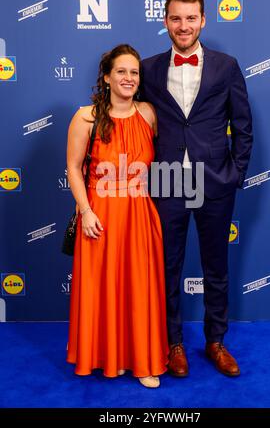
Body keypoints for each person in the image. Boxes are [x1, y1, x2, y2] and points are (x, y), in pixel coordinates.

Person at [141, 0, 253, 377]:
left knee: (216, 267)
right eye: (176, 18)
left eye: (191, 18)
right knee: (166, 267)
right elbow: (130, 117)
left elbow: (243, 125)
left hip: (214, 181)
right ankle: (172, 343)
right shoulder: (148, 68)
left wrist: (234, 173)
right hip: (167, 180)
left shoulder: (226, 66)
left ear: (203, 20)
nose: (183, 26)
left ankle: (216, 341)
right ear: (165, 21)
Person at [66, 44, 169, 388]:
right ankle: (111, 356)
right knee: (105, 289)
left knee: (138, 290)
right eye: (121, 71)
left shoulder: (149, 114)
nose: (128, 78)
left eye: (134, 72)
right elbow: (74, 167)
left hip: (139, 213)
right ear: (107, 77)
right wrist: (86, 211)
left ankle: (140, 360)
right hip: (101, 215)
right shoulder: (86, 117)